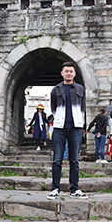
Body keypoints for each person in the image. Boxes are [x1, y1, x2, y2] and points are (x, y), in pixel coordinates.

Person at [47, 61, 88, 200]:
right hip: (59, 128)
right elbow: (53, 108)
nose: (69, 73)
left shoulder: (81, 89)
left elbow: (83, 107)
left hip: (75, 128)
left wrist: (79, 122)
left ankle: (74, 189)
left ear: (74, 73)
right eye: (66, 71)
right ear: (62, 73)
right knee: (57, 160)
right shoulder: (56, 90)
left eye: (71, 71)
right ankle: (55, 188)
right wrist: (60, 119)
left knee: (74, 160)